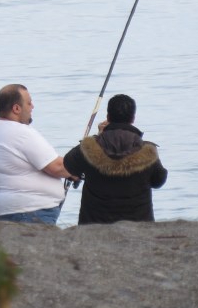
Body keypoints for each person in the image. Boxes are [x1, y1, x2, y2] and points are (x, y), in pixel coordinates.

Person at [63, 93, 167, 225]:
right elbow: (159, 181)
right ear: (133, 118)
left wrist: (99, 136)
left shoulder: (89, 148)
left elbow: (69, 164)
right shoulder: (147, 150)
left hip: (94, 229)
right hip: (139, 227)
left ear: (108, 117)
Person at [0, 84, 74, 224]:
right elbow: (57, 167)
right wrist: (79, 166)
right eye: (29, 103)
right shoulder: (20, 132)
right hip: (26, 213)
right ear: (16, 108)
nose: (32, 107)